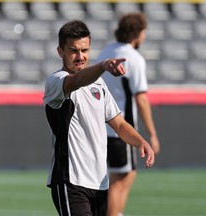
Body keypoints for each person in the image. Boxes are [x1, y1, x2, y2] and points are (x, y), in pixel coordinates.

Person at [43, 20, 155, 216]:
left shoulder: (99, 85)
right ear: (60, 52)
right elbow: (77, 80)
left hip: (100, 183)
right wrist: (103, 65)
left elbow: (119, 124)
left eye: (84, 50)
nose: (80, 56)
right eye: (73, 51)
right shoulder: (56, 81)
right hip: (71, 181)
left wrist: (141, 142)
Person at [96, 12, 160, 216]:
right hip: (121, 130)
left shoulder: (105, 52)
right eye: (143, 32)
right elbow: (141, 98)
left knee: (115, 179)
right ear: (137, 33)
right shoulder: (134, 58)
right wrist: (152, 134)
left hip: (101, 127)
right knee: (121, 181)